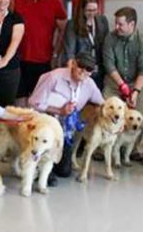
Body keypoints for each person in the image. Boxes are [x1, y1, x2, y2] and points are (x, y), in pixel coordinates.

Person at [28, 52, 103, 180]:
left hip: (66, 130)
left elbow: (103, 103)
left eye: (89, 69)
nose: (84, 71)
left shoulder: (89, 84)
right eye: (81, 66)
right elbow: (34, 102)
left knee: (64, 171)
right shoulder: (54, 77)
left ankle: (50, 163)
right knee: (49, 174)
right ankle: (39, 167)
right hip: (46, 123)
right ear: (73, 63)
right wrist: (59, 110)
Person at [102, 6, 143, 160]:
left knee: (138, 115)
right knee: (106, 112)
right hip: (114, 81)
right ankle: (104, 146)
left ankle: (132, 150)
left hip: (137, 82)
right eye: (116, 23)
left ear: (132, 25)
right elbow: (109, 64)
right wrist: (122, 85)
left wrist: (135, 91)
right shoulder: (110, 38)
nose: (116, 27)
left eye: (120, 24)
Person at [13, 0, 67, 102]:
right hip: (19, 58)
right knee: (20, 100)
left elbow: (64, 30)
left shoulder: (54, 2)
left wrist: (57, 53)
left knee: (39, 101)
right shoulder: (17, 1)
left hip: (44, 59)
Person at [62, 0, 109, 88]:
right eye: (89, 10)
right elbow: (69, 53)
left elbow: (107, 45)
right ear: (82, 9)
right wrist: (72, 74)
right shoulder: (72, 24)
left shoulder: (102, 21)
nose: (92, 13)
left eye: (95, 10)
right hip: (81, 69)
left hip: (99, 69)